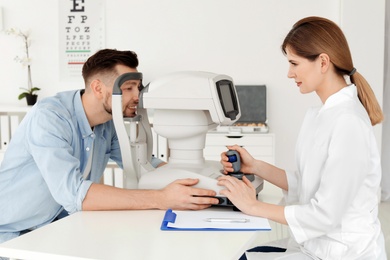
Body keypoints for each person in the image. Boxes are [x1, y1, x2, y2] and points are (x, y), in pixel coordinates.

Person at [0, 49, 219, 245]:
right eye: (128, 88)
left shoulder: (108, 124)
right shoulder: (50, 117)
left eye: (138, 88)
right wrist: (161, 197)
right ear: (98, 88)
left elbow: (144, 165)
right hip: (14, 234)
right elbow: (74, 194)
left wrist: (206, 183)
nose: (137, 96)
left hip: (57, 231)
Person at [218, 16, 387, 259]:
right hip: (317, 245)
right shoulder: (320, 114)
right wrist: (255, 166)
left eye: (294, 64)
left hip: (343, 253)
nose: (289, 73)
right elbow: (308, 183)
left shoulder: (349, 122)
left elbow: (325, 214)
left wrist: (253, 206)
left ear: (323, 62)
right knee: (242, 253)